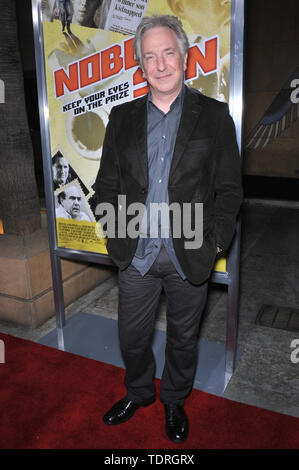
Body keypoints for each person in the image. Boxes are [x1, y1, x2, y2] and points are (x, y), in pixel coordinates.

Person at [95, 15, 242, 443]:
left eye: (168, 53)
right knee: (132, 336)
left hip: (190, 250)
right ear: (140, 66)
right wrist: (112, 232)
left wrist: (215, 241)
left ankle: (174, 399)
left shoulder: (214, 117)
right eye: (150, 57)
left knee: (183, 339)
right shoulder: (121, 118)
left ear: (185, 56)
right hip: (135, 253)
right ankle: (139, 392)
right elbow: (106, 185)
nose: (160, 65)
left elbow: (229, 190)